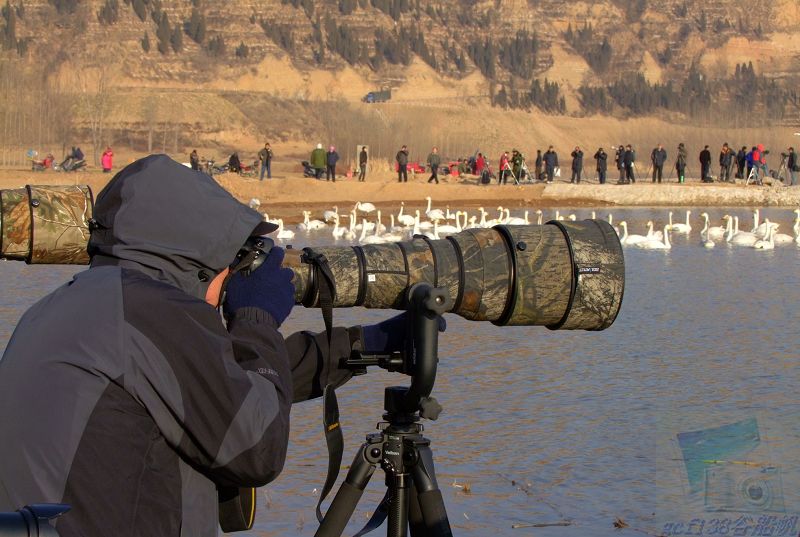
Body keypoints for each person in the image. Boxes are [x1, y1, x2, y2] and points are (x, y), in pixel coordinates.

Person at [0, 155, 421, 537]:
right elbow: (255, 446)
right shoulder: (148, 312)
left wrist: (361, 345)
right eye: (230, 263)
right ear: (195, 261)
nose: (231, 280)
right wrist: (256, 316)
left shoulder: (80, 304)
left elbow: (211, 386)